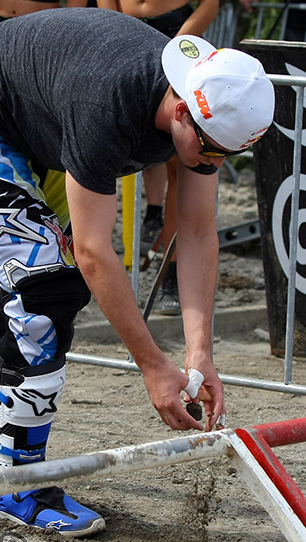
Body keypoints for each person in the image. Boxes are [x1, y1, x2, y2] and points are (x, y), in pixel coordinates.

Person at [0, 9, 274, 537]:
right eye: (212, 149)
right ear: (181, 111)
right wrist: (153, 366)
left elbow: (197, 232)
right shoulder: (107, 104)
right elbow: (93, 252)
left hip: (36, 115)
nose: (214, 164)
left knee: (44, 276)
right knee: (48, 288)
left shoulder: (201, 108)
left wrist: (201, 350)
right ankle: (12, 484)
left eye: (230, 154)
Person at [98, 0, 220, 316]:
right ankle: (83, 264)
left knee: (185, 163)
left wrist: (177, 47)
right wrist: (119, 33)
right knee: (111, 144)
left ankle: (172, 275)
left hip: (179, 36)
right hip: (123, 30)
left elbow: (211, 4)